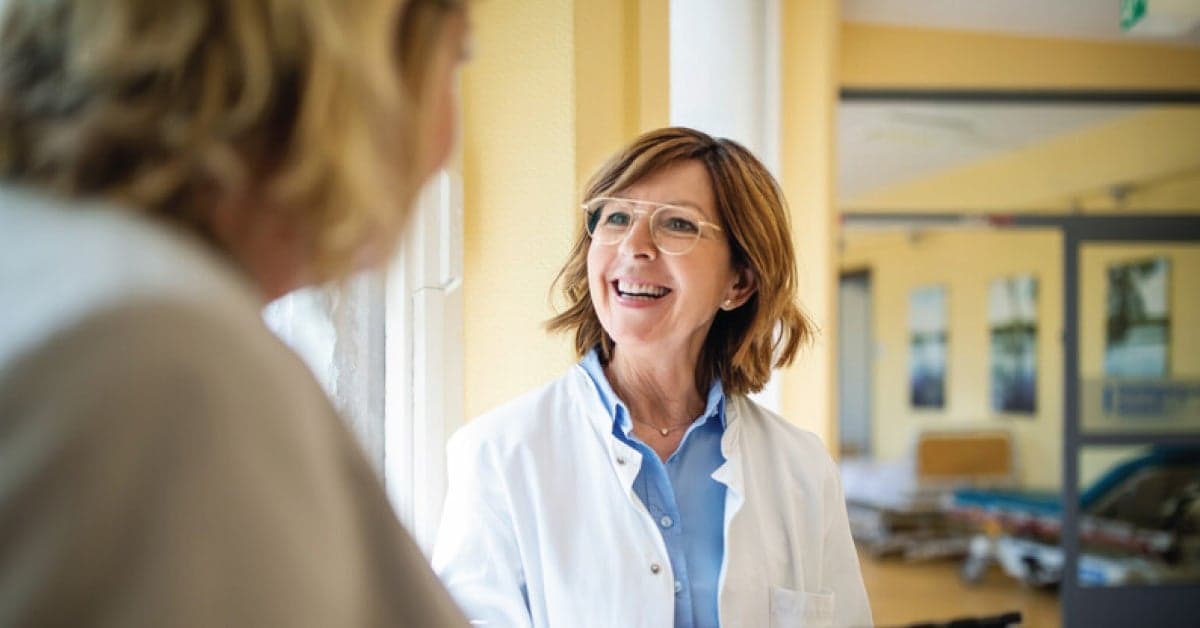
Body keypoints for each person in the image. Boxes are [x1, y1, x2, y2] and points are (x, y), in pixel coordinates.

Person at [0, 1, 470, 625]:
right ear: (355, 73)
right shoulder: (160, 360)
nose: (446, 141)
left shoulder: (59, 274)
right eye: (456, 60)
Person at [433, 127, 873, 627]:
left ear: (739, 282)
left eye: (678, 225)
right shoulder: (499, 454)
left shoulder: (801, 467)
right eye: (616, 217)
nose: (634, 246)